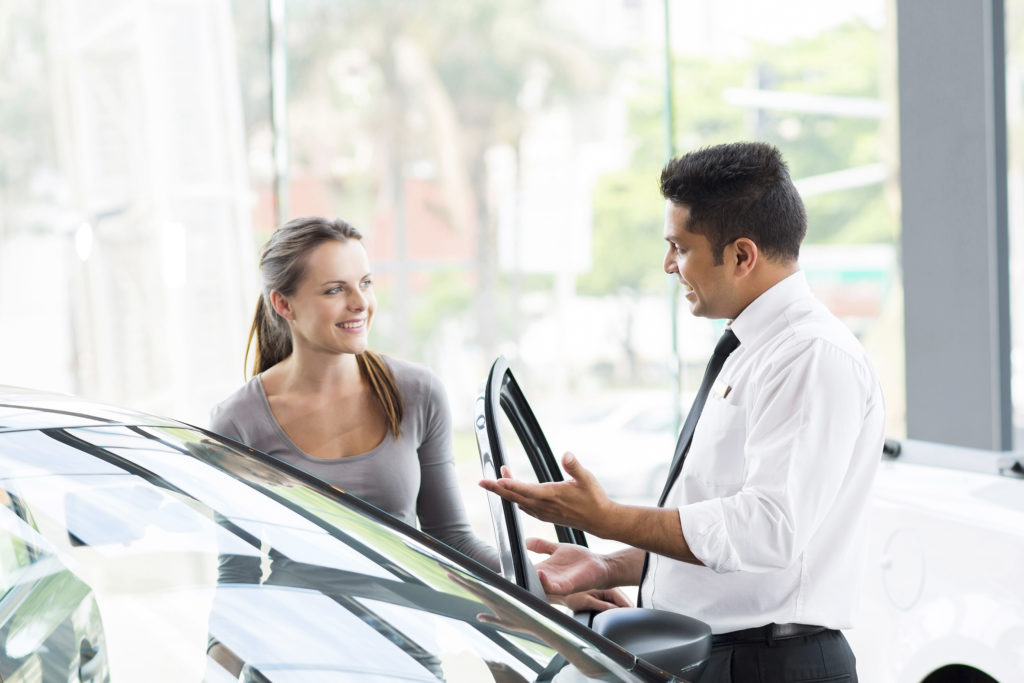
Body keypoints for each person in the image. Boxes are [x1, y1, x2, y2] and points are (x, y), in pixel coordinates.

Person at [480, 142, 885, 682]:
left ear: (742, 256)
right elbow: (717, 530)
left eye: (679, 247)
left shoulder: (810, 356)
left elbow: (768, 530)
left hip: (769, 666)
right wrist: (608, 563)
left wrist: (606, 516)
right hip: (728, 656)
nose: (668, 265)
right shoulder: (756, 349)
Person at [209, 216, 499, 571]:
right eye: (335, 289)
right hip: (298, 626)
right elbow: (238, 573)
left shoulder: (418, 393)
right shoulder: (238, 423)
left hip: (409, 627)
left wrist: (540, 582)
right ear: (284, 305)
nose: (361, 302)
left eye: (365, 283)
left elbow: (452, 541)